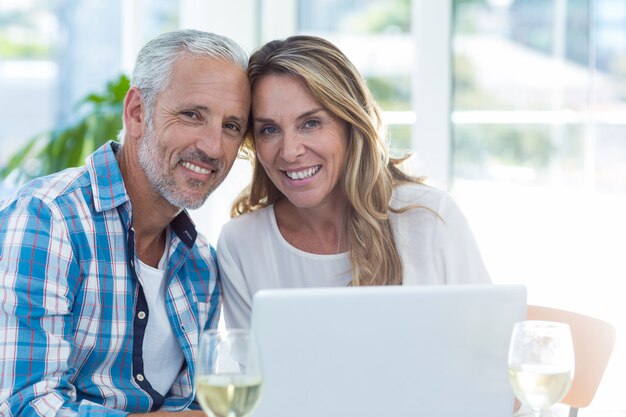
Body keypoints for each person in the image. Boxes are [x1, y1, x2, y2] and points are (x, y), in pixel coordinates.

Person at [0, 29, 251, 416]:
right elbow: (25, 405)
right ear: (136, 112)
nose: (214, 146)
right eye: (191, 115)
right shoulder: (48, 220)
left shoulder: (201, 263)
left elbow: (189, 404)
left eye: (231, 126)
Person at [217, 35, 491, 330]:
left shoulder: (429, 218)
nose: (290, 151)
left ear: (351, 124)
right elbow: (248, 371)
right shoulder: (241, 245)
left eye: (310, 123)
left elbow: (487, 348)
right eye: (269, 129)